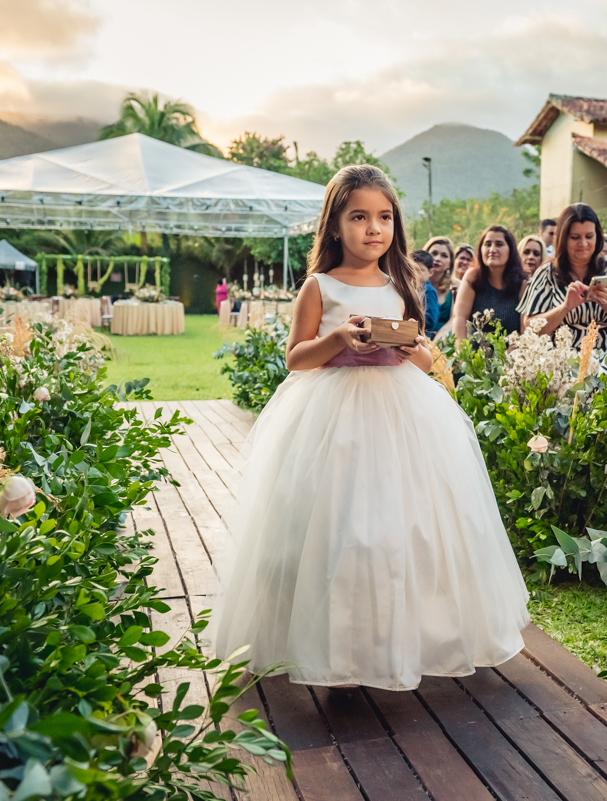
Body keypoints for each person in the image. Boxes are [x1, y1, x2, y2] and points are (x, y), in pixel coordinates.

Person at [210, 164, 529, 690]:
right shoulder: (318, 286)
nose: (373, 228)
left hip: (402, 415)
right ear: (335, 225)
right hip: (332, 418)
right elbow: (296, 358)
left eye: (384, 217)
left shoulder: (404, 282)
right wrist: (338, 339)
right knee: (338, 529)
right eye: (359, 217)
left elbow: (423, 356)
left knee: (405, 528)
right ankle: (330, 643)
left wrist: (411, 350)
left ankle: (409, 637)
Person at [517, 203, 607, 353]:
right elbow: (531, 328)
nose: (583, 244)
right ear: (563, 239)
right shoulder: (547, 273)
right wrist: (565, 307)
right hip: (562, 363)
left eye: (589, 236)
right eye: (575, 237)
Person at [452, 225, 528, 339]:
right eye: (487, 244)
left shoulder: (523, 283)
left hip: (512, 353)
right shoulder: (472, 277)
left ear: (510, 250)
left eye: (499, 244)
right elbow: (460, 318)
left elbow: (524, 331)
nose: (492, 249)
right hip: (474, 353)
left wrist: (507, 355)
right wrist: (460, 352)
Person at [423, 235, 456, 336]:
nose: (437, 258)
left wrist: (443, 333)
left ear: (450, 263)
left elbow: (455, 318)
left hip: (445, 336)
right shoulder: (414, 283)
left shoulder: (456, 285)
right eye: (434, 253)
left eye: (444, 255)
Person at [412, 249, 441, 338]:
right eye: (412, 269)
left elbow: (431, 319)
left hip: (424, 335)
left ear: (430, 272)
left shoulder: (428, 291)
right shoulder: (410, 289)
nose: (415, 273)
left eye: (420, 270)